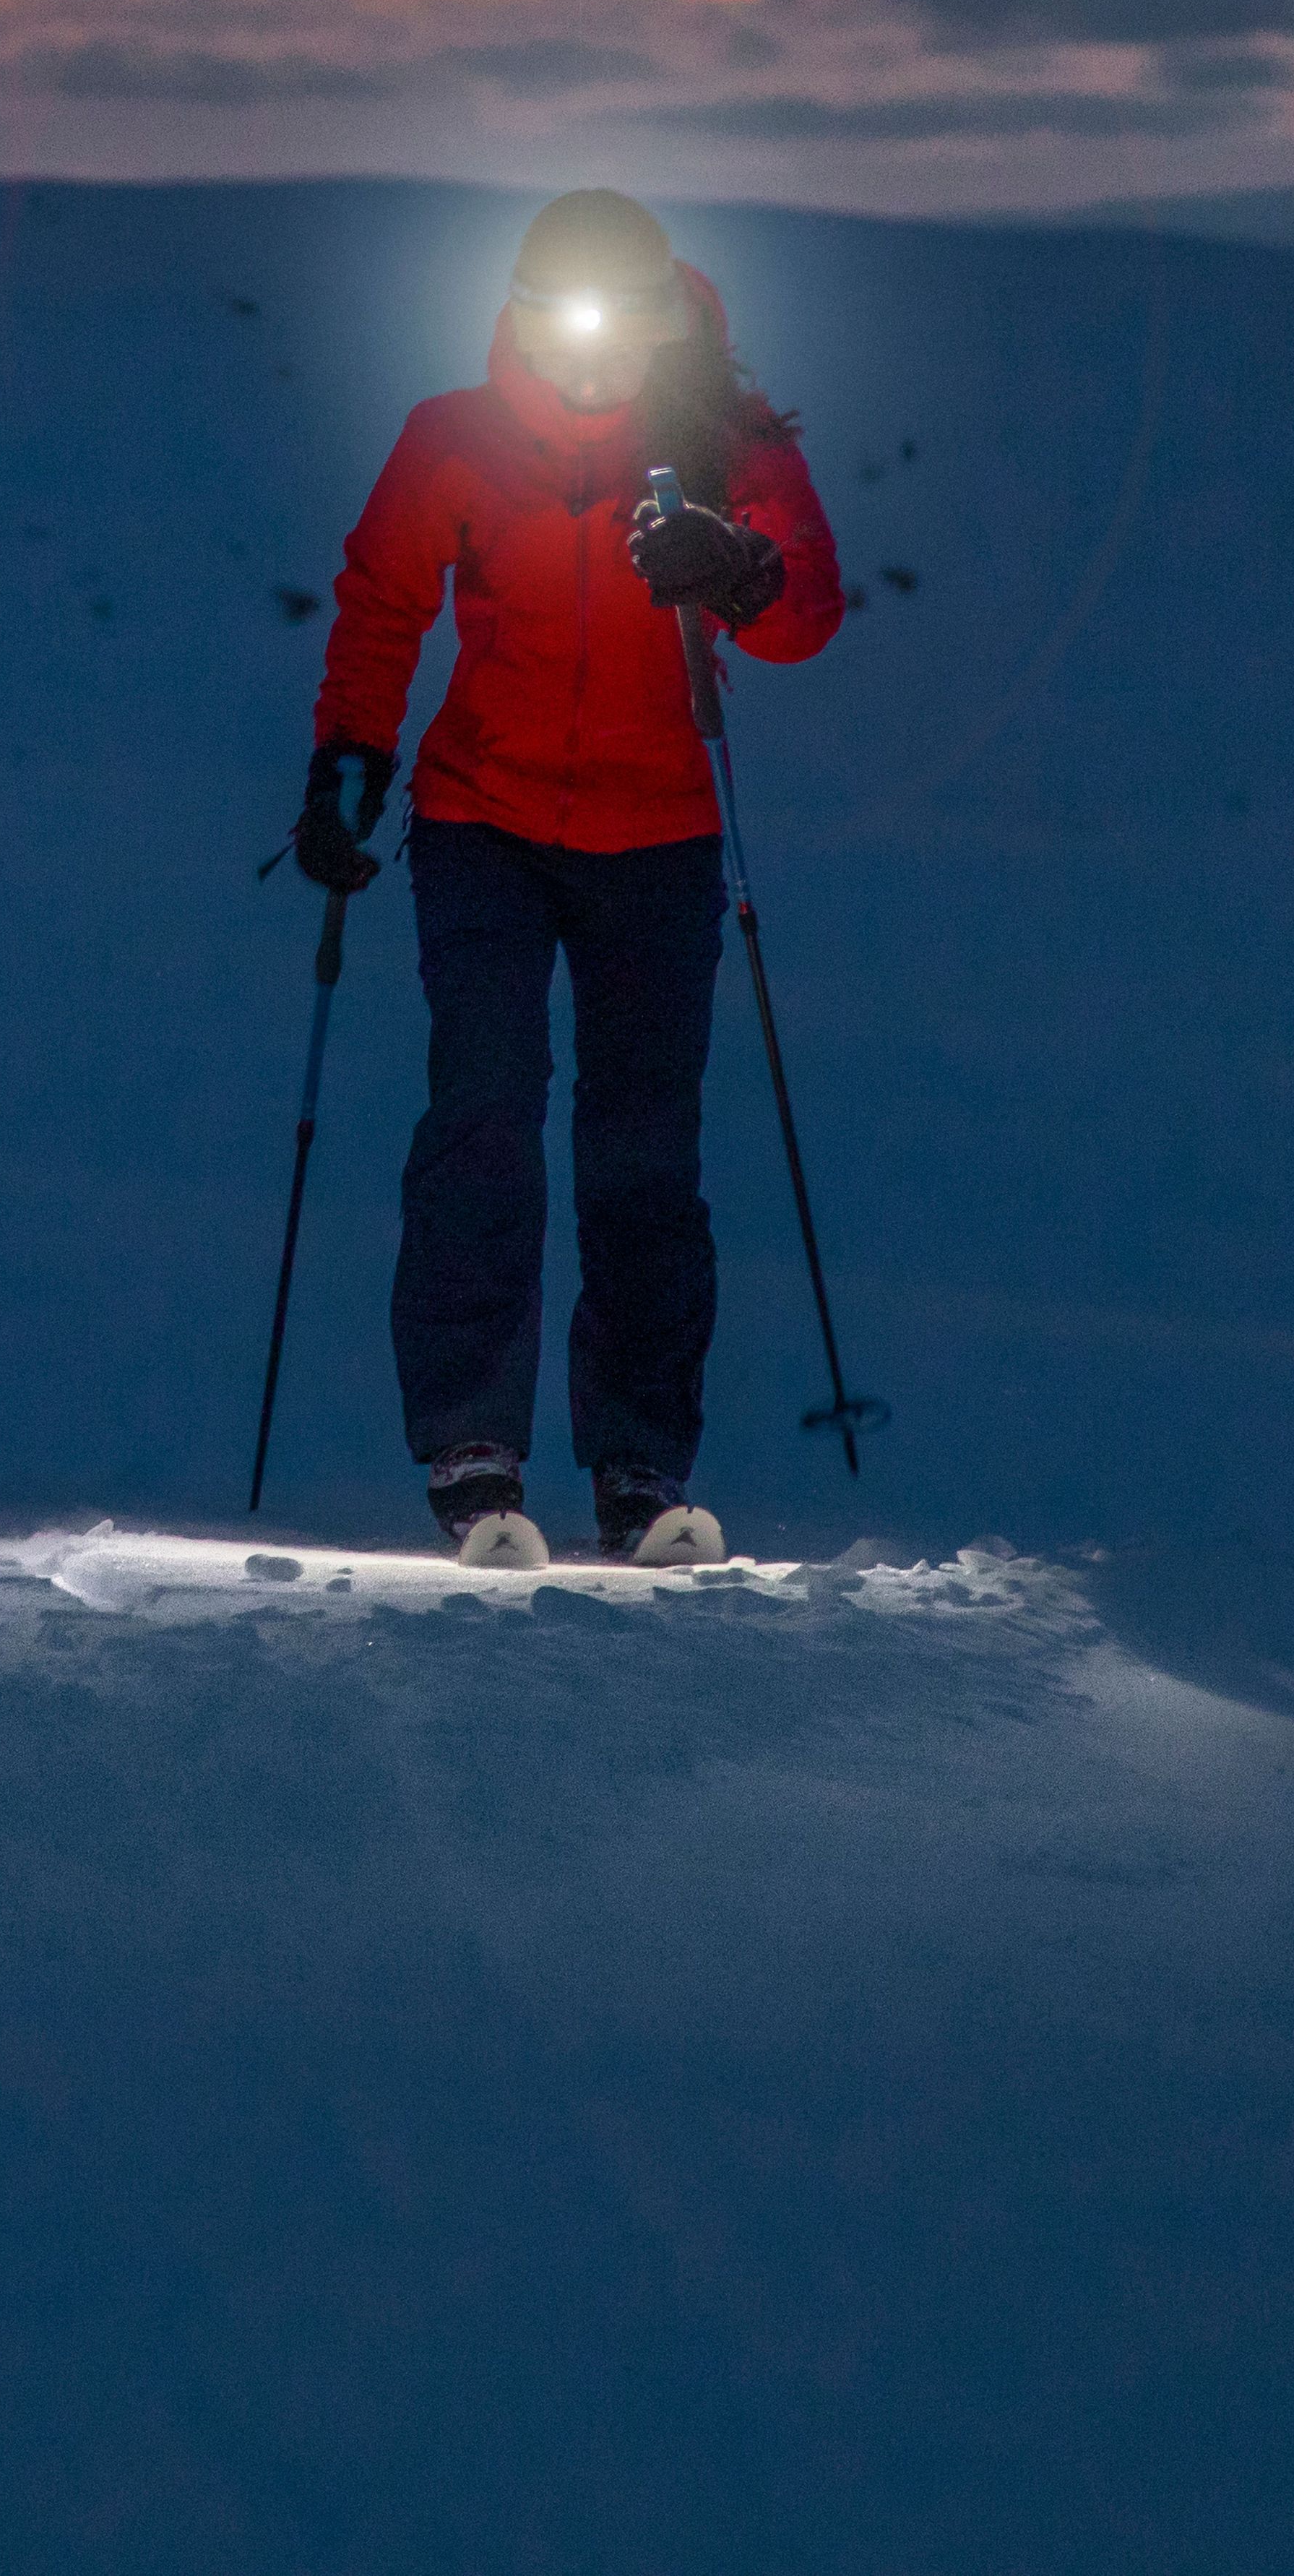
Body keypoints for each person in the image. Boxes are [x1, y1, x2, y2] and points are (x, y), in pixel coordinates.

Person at [293, 191, 844, 1567]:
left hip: (656, 835)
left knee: (642, 1151)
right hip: (484, 820)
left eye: (615, 331)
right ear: (522, 319)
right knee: (485, 1112)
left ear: (661, 321)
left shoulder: (719, 435)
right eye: (559, 330)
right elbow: (381, 596)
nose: (587, 363)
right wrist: (351, 755)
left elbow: (810, 610)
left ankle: (641, 1474)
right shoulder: (456, 435)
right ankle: (475, 1456)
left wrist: (735, 569)